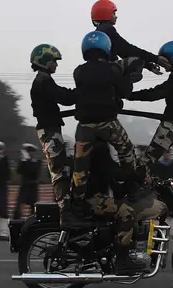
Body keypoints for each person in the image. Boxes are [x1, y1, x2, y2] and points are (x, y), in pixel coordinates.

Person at [71, 31, 139, 205]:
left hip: (84, 126)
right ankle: (130, 189)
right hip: (108, 123)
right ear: (106, 48)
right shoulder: (113, 69)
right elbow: (125, 92)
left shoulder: (78, 71)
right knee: (127, 152)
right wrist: (127, 78)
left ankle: (76, 202)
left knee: (80, 166)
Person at [86, 139, 166, 275]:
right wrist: (135, 176)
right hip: (94, 198)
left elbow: (113, 176)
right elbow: (111, 171)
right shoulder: (98, 146)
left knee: (127, 206)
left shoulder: (99, 144)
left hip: (98, 195)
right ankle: (122, 260)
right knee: (127, 212)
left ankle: (128, 248)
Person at [126, 40, 173, 182]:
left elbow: (154, 94)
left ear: (171, 59)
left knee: (144, 164)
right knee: (148, 161)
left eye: (164, 59)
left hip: (171, 127)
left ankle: (136, 193)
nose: (162, 62)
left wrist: (129, 95)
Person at [30, 44, 78, 224]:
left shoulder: (43, 80)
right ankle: (65, 214)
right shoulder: (43, 81)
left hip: (51, 129)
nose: (56, 65)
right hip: (50, 132)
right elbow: (63, 97)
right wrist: (82, 93)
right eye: (54, 62)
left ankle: (69, 207)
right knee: (59, 171)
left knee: (66, 167)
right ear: (44, 62)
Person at [91, 0, 170, 71]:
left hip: (97, 73)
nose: (116, 17)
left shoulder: (97, 34)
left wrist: (148, 65)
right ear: (105, 13)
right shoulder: (108, 29)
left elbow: (123, 52)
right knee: (134, 65)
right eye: (114, 13)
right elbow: (128, 50)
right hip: (109, 73)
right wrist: (156, 59)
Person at [13, 143, 41, 219]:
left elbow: (33, 172)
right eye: (28, 152)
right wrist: (24, 161)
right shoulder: (23, 161)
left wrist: (27, 161)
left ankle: (33, 218)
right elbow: (19, 171)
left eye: (31, 152)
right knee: (19, 203)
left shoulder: (37, 162)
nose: (30, 153)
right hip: (24, 185)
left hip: (33, 186)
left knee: (33, 204)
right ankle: (17, 218)